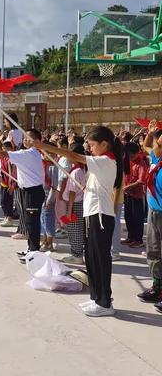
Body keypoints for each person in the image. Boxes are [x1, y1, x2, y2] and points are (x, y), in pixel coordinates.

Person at [35, 126, 123, 317]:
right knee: (91, 258)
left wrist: (45, 146)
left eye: (92, 145)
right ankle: (97, 298)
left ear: (104, 144)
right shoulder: (101, 162)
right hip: (92, 214)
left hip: (100, 216)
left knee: (100, 260)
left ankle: (105, 302)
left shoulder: (107, 160)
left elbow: (76, 157)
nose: (89, 148)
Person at [0, 129, 45, 257]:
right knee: (29, 222)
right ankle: (31, 249)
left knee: (32, 223)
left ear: (37, 141)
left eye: (29, 138)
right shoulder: (28, 153)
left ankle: (34, 251)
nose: (25, 140)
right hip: (29, 191)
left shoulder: (29, 153)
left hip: (33, 192)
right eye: (25, 137)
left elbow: (5, 153)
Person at [138, 120, 162, 312]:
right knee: (153, 251)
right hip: (153, 212)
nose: (155, 146)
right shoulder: (156, 160)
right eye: (157, 143)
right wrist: (149, 132)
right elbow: (145, 145)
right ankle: (157, 287)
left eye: (159, 144)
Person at [60, 143, 87, 265]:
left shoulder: (76, 171)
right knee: (77, 229)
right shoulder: (81, 169)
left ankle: (77, 255)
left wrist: (69, 210)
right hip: (79, 203)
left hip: (75, 203)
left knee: (74, 230)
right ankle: (76, 253)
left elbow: (72, 192)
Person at [121, 142, 148, 248]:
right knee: (128, 216)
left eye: (132, 156)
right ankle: (131, 237)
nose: (131, 158)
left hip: (137, 195)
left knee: (137, 218)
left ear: (137, 153)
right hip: (128, 194)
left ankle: (138, 239)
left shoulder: (141, 163)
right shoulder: (128, 162)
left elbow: (141, 180)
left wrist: (128, 187)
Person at [40, 146, 59, 252]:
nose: (47, 155)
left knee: (48, 217)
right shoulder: (43, 164)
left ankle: (49, 241)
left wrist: (50, 200)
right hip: (42, 193)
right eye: (46, 153)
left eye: (51, 153)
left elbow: (54, 185)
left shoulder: (53, 167)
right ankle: (44, 239)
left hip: (49, 194)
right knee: (42, 218)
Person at [0, 141, 17, 227]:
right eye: (3, 148)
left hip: (9, 184)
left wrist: (12, 185)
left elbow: (14, 172)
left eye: (6, 149)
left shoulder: (12, 159)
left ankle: (9, 218)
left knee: (8, 201)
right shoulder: (2, 158)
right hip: (3, 183)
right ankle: (6, 216)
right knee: (3, 201)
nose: (4, 150)